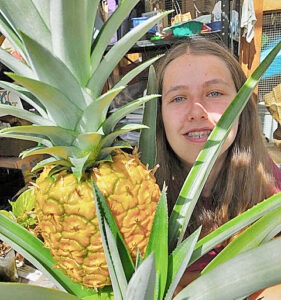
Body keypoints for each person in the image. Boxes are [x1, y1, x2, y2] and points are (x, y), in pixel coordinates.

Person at [155, 37, 281, 298]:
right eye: (178, 98)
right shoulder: (136, 194)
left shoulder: (271, 184)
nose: (196, 111)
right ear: (159, 115)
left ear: (242, 105)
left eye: (214, 93)